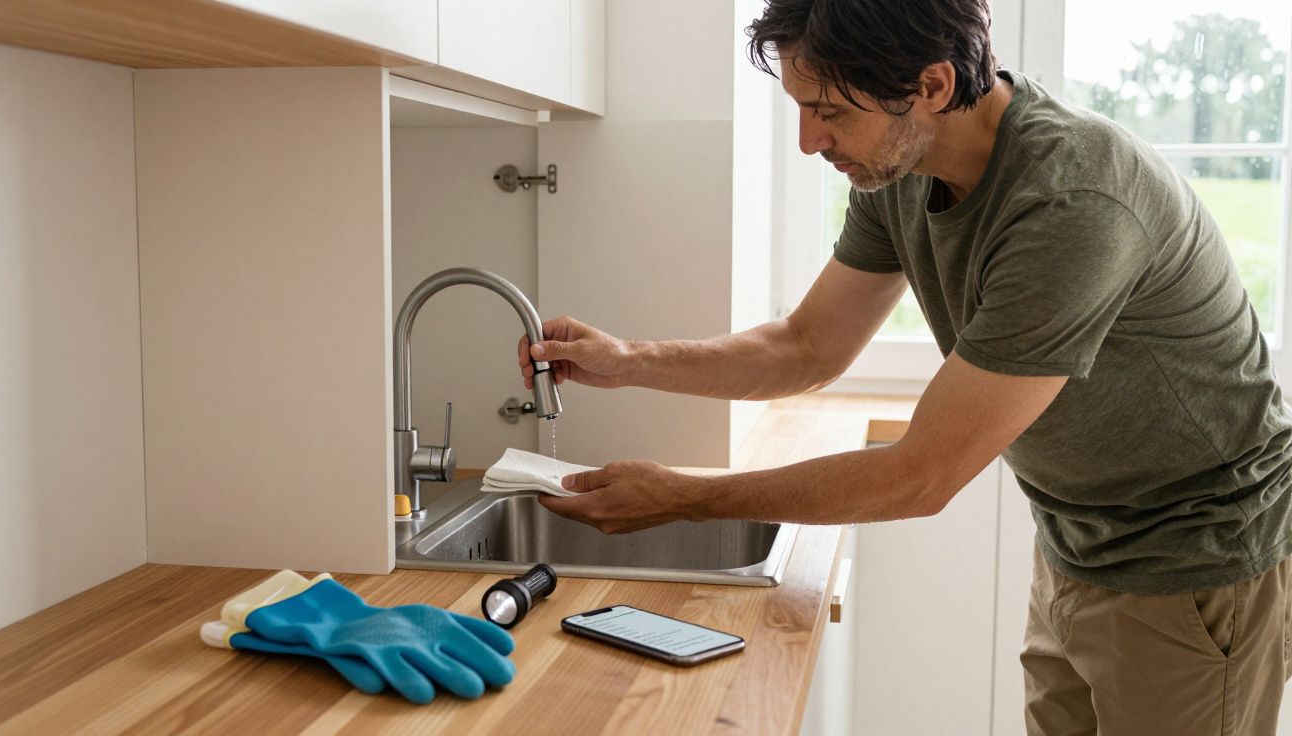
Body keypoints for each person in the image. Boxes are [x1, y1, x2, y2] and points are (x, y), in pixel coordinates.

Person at [516, 0, 1292, 732]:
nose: (808, 141)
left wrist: (685, 498)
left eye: (829, 112)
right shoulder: (900, 166)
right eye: (800, 107)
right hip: (1075, 541)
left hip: (1199, 562)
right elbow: (807, 345)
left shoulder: (1071, 201)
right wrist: (628, 360)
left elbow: (921, 476)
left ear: (932, 86)